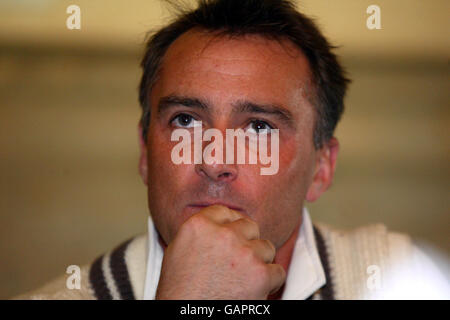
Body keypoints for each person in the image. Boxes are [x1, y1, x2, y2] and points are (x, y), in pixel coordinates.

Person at [14, 0, 449, 300]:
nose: (214, 160)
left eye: (259, 127)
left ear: (321, 167)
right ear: (145, 151)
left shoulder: (405, 280)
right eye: (185, 120)